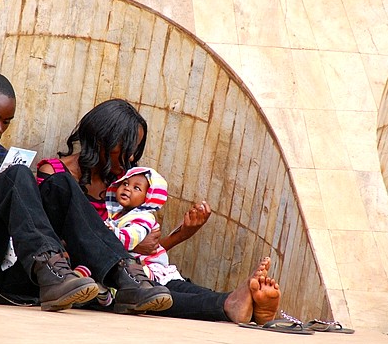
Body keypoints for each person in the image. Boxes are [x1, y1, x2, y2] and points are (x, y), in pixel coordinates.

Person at [0, 72, 172, 314]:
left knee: (61, 184)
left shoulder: (1, 156)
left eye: (6, 122)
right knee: (17, 176)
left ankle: (124, 275)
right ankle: (52, 271)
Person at [37, 98, 281, 324]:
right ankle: (229, 304)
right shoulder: (55, 174)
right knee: (147, 293)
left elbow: (146, 249)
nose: (132, 156)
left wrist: (182, 234)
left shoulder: (125, 181)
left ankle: (243, 304)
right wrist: (129, 246)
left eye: (137, 148)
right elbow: (54, 237)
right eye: (126, 147)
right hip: (89, 272)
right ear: (102, 138)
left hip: (131, 266)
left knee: (168, 283)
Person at [104, 166, 184, 285]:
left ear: (148, 198)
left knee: (132, 274)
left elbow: (131, 238)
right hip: (129, 263)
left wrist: (112, 232)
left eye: (136, 188)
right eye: (125, 183)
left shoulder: (144, 218)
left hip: (149, 264)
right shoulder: (117, 215)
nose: (127, 189)